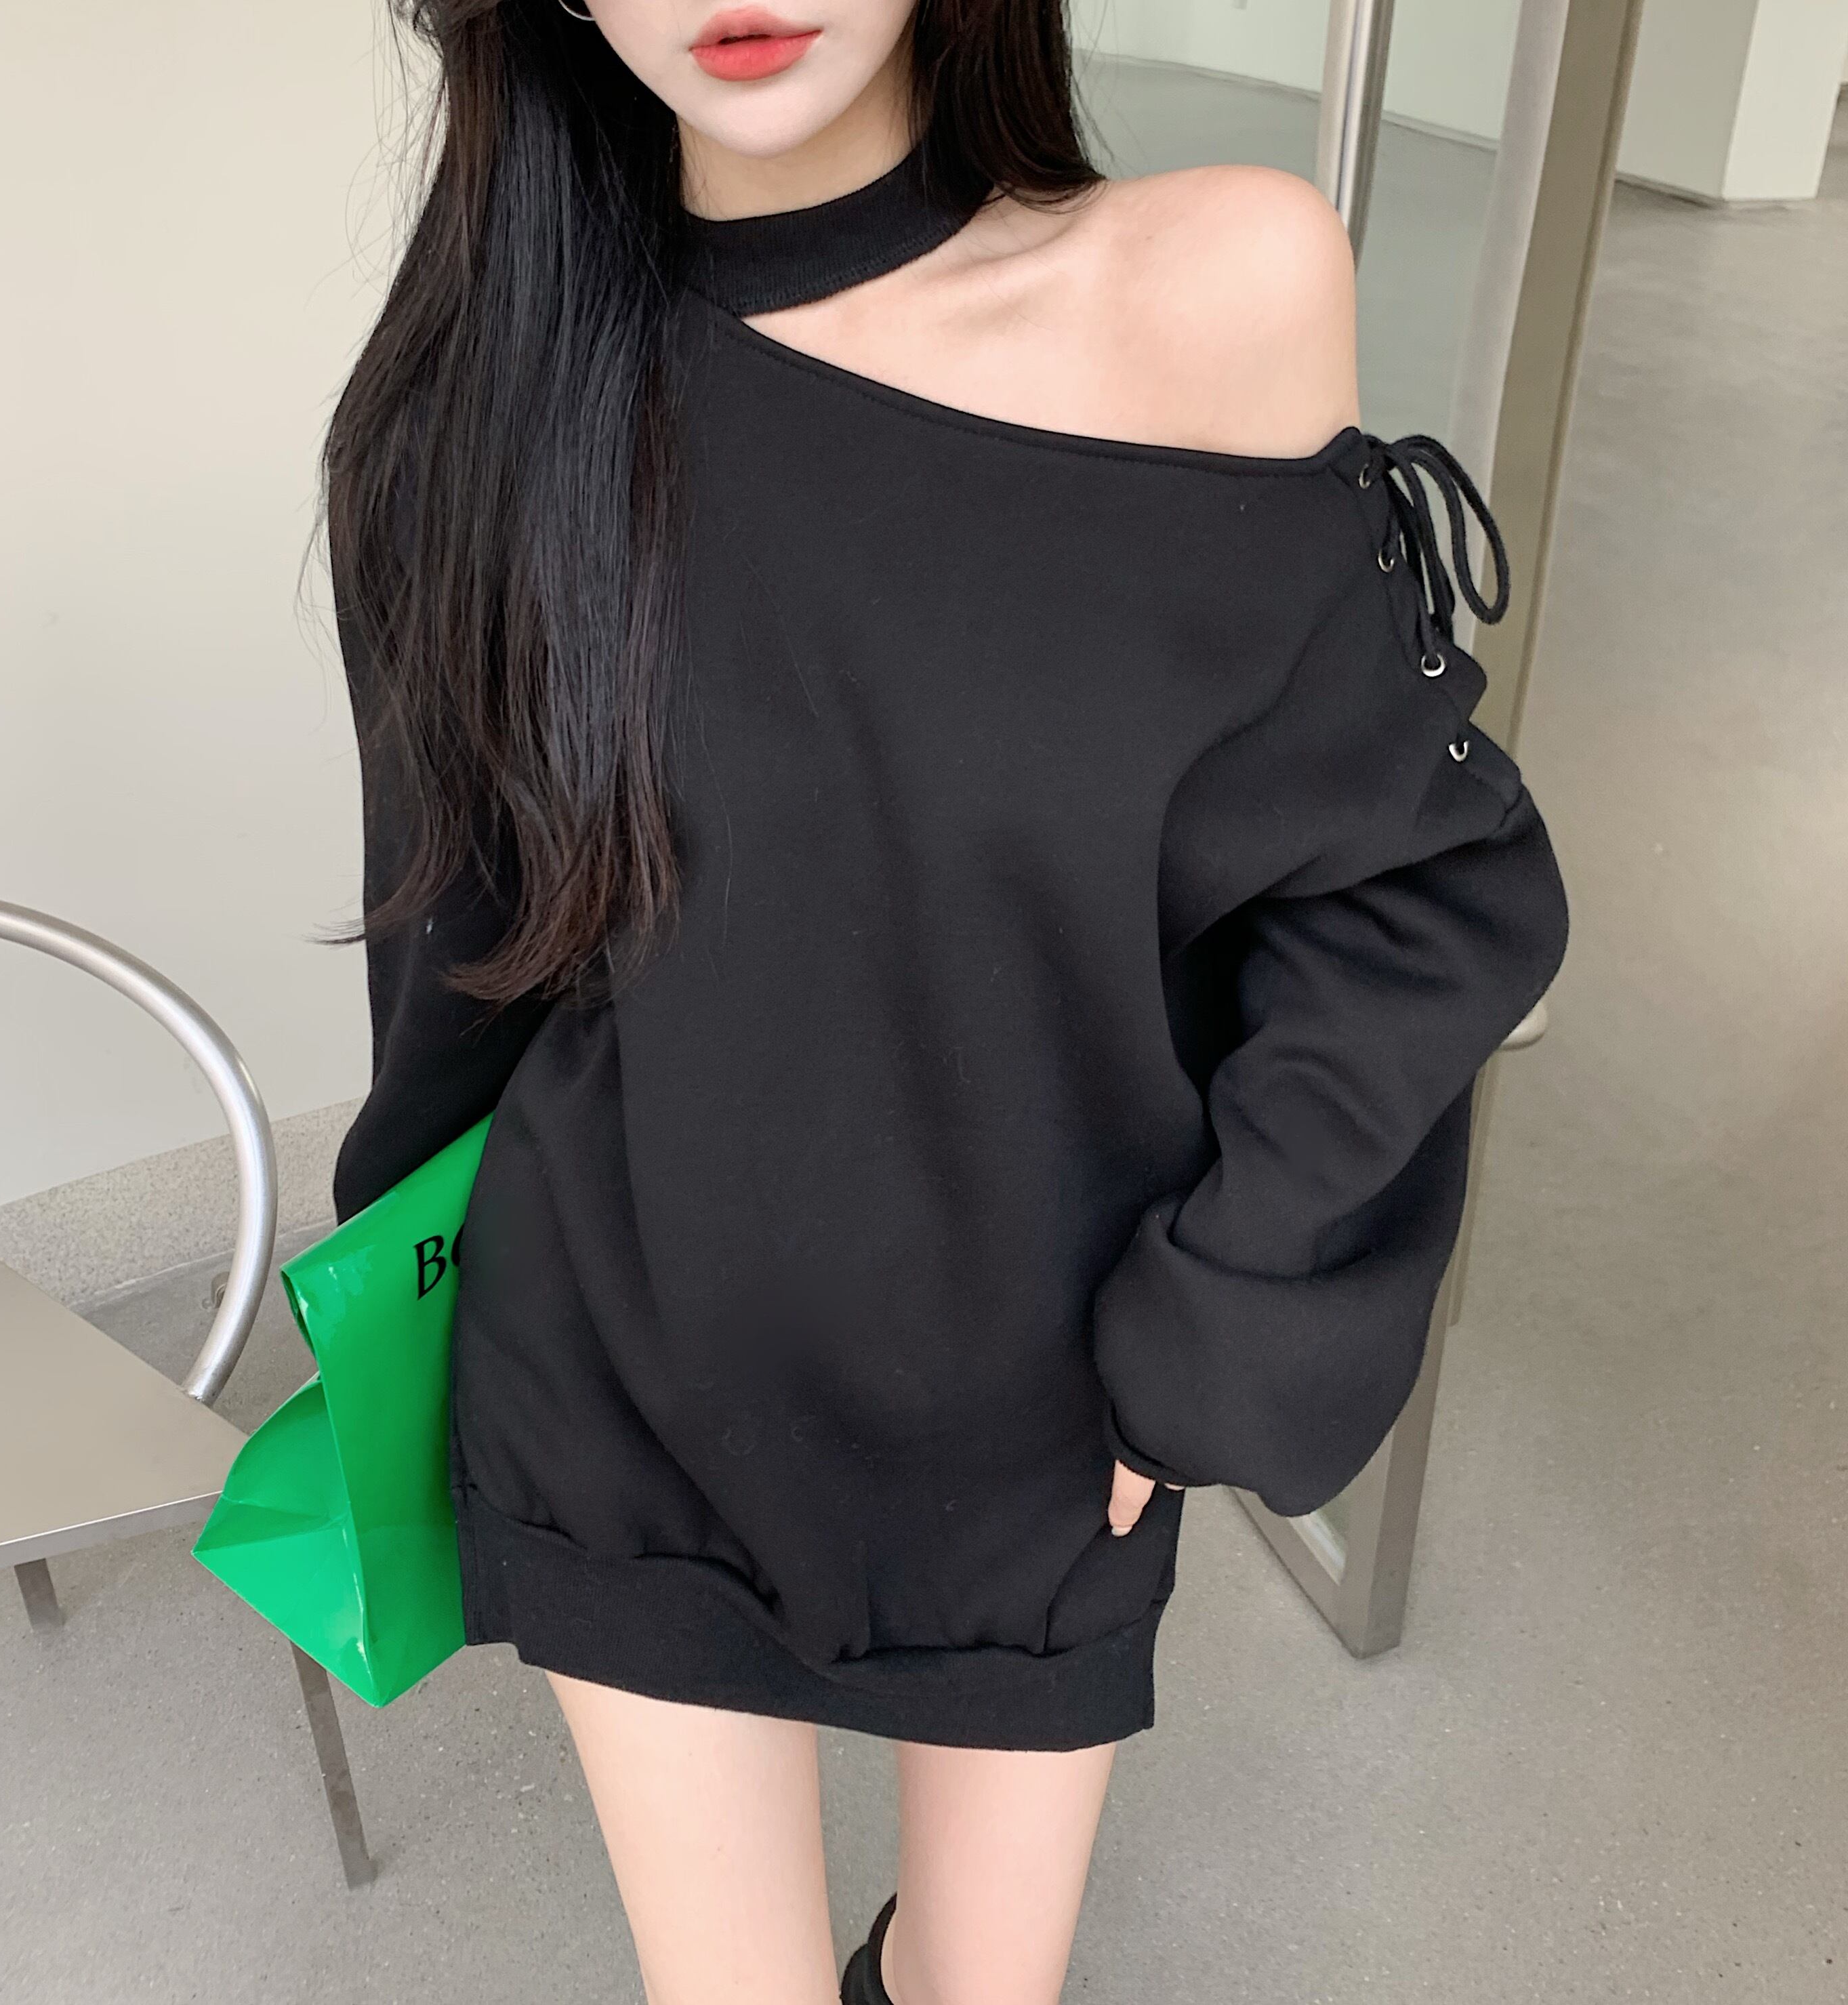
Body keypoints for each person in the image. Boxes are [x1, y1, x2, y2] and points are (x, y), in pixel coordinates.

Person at [321, 3, 1571, 2000]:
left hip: (1038, 1388)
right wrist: (406, 1352)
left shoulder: (1218, 288)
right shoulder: (472, 410)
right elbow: (457, 978)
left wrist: (1230, 1307)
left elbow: (1397, 889)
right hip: (621, 1372)